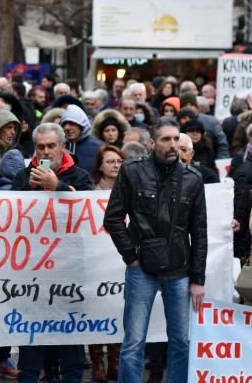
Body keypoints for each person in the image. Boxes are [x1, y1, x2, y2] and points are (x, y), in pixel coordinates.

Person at [103, 117, 206, 383]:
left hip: (180, 271)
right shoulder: (132, 170)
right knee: (134, 342)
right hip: (142, 270)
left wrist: (197, 279)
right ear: (151, 143)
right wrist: (132, 259)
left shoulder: (193, 178)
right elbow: (112, 219)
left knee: (181, 341)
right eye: (165, 139)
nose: (173, 145)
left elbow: (200, 232)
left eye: (176, 139)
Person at [12, 122, 92, 383]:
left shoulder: (80, 176)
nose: (46, 152)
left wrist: (57, 186)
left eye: (51, 146)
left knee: (70, 335)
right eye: (40, 147)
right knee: (32, 334)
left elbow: (86, 211)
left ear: (63, 146)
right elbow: (12, 218)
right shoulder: (23, 177)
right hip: (33, 268)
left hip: (69, 269)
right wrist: (32, 190)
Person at [88, 145, 125, 381]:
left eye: (119, 161)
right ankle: (97, 363)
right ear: (100, 166)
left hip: (121, 259)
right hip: (96, 260)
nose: (116, 165)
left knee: (118, 308)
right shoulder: (89, 193)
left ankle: (115, 361)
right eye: (110, 161)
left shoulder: (130, 189)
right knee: (96, 309)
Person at [179, 92, 229, 159]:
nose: (189, 107)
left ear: (197, 107)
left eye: (192, 105)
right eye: (185, 105)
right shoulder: (173, 123)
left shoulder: (211, 121)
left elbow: (222, 143)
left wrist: (221, 162)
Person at [59, 104, 105, 173]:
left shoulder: (99, 147)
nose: (67, 128)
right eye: (64, 124)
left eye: (72, 123)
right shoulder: (57, 146)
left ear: (82, 125)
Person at [11, 82, 37, 155]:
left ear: (15, 93)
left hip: (24, 147)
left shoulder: (18, 107)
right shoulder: (31, 105)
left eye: (11, 91)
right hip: (32, 145)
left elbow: (23, 127)